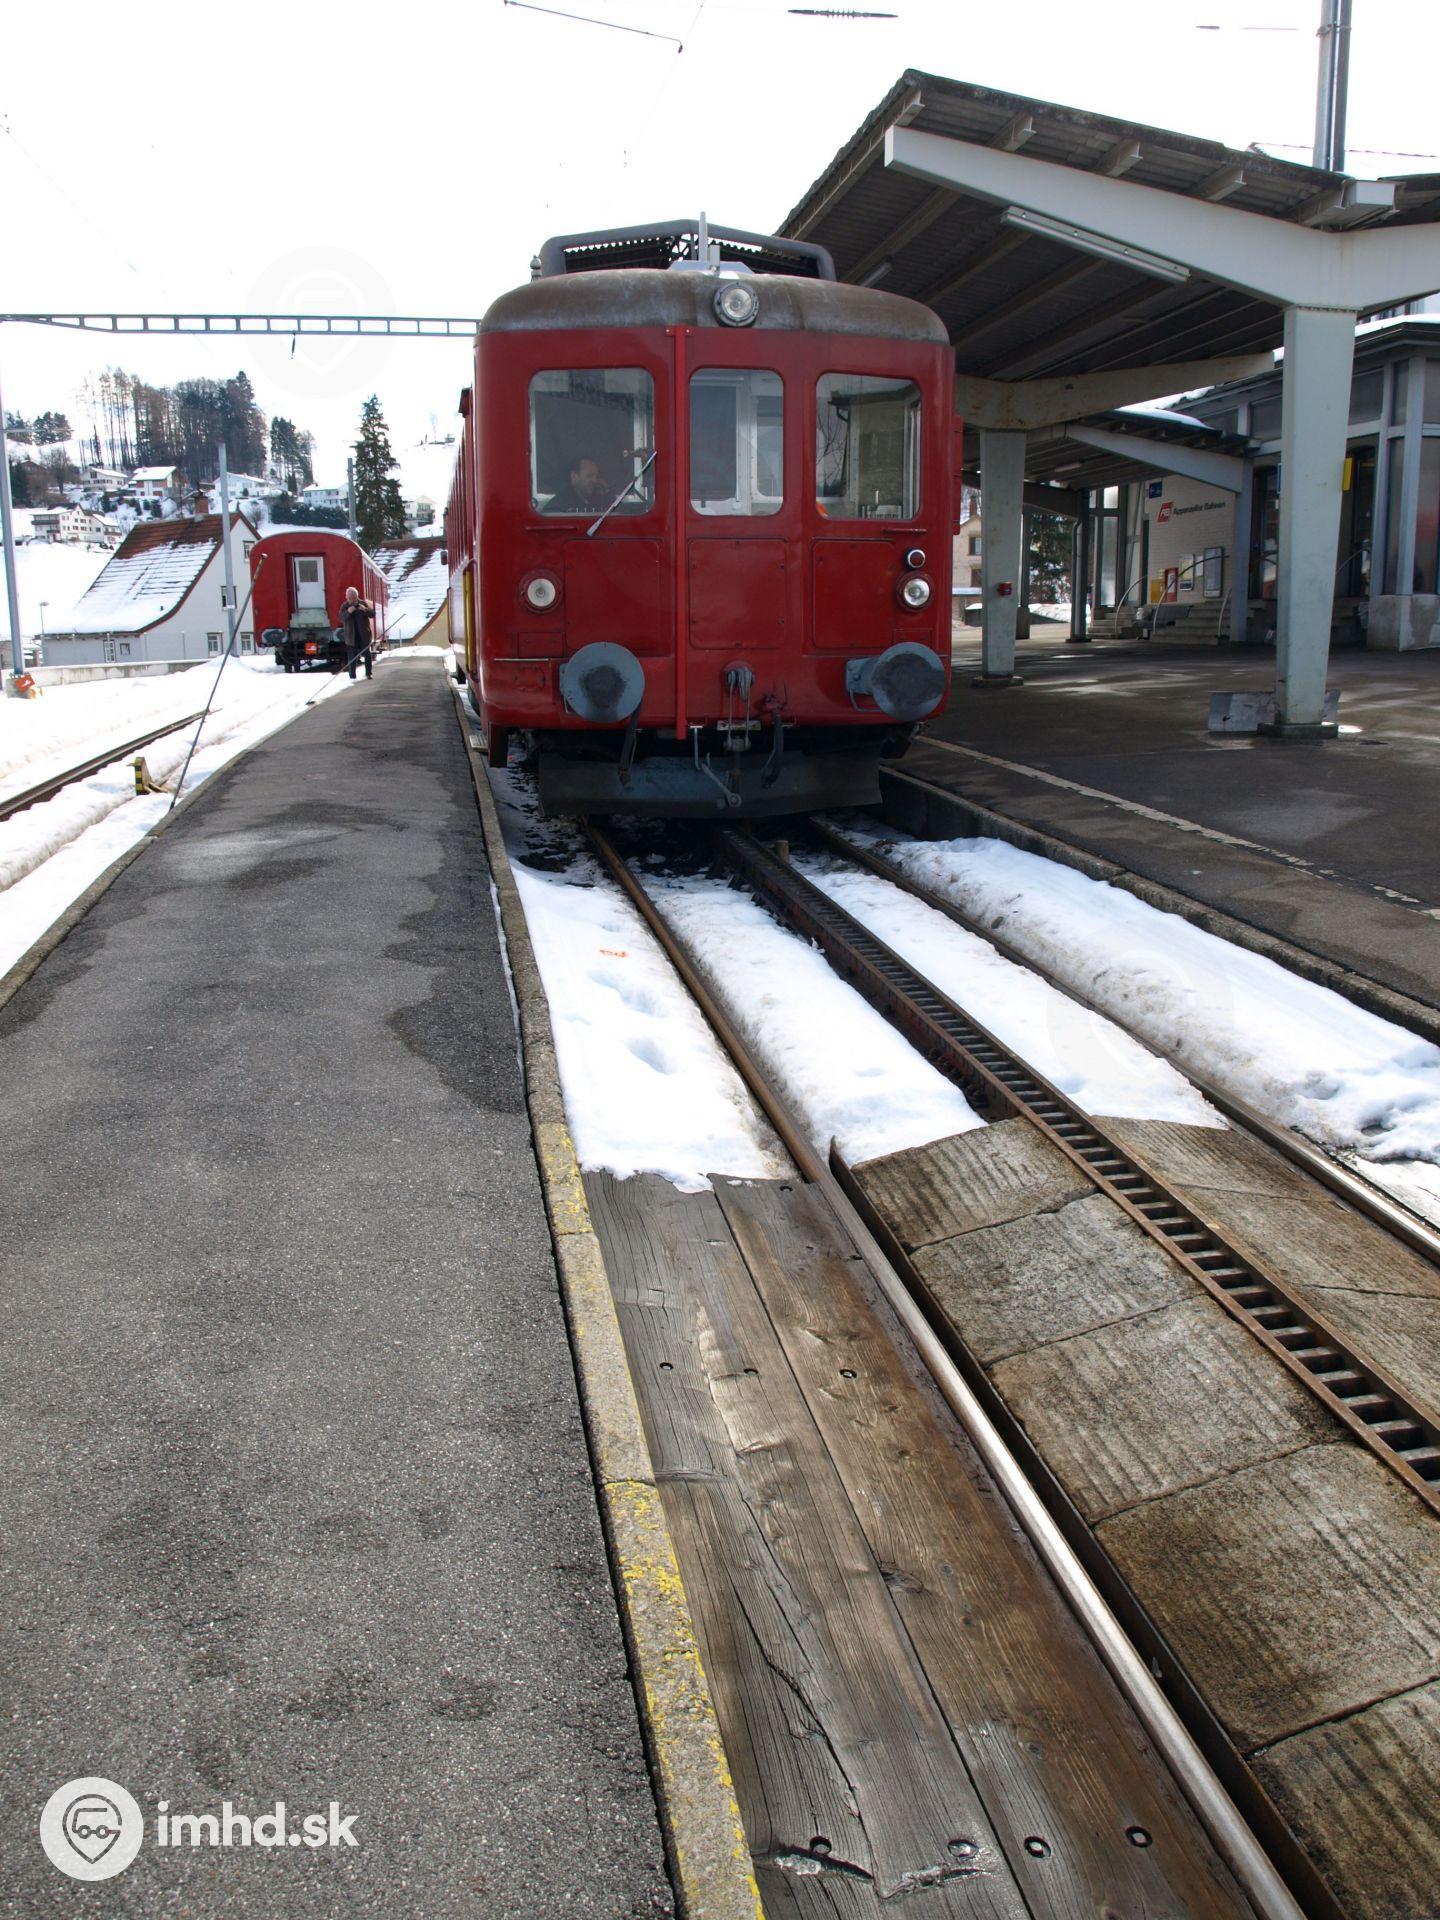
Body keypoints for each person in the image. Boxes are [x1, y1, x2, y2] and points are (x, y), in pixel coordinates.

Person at [545, 454, 612, 516]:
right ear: (574, 477)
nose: (595, 480)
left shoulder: (598, 500)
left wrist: (607, 493)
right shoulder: (558, 507)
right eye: (589, 476)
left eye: (596, 476)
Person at [339, 586, 376, 679]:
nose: (347, 598)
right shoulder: (345, 606)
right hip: (351, 637)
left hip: (363, 635)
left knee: (367, 655)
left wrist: (365, 609)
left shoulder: (363, 604)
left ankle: (368, 673)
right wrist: (348, 612)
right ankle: (352, 677)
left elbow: (372, 614)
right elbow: (341, 618)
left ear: (354, 597)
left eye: (349, 597)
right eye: (347, 597)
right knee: (352, 658)